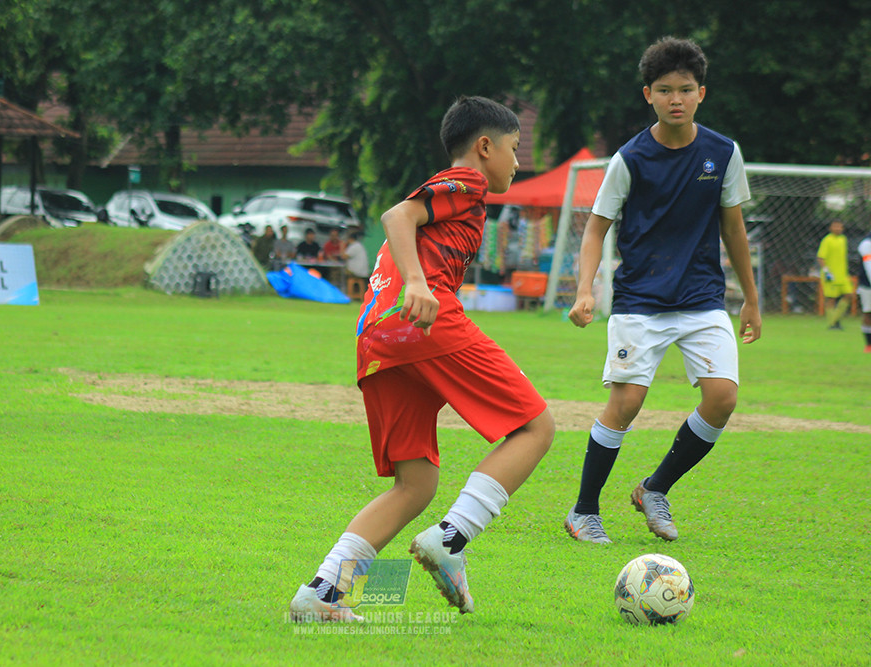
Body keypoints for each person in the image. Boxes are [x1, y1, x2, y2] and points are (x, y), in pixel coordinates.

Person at [289, 96, 554, 622]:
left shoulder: (464, 198)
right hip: (419, 321)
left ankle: (323, 594)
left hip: (376, 337)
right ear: (484, 147)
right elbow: (398, 215)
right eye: (515, 148)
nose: (518, 162)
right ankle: (452, 540)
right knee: (535, 428)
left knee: (417, 484)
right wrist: (417, 281)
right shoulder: (469, 181)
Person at [563, 37, 761, 545]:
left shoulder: (723, 153)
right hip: (640, 302)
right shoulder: (630, 159)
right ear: (648, 94)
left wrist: (752, 300)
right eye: (666, 90)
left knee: (723, 399)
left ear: (701, 94)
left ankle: (655, 489)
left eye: (687, 89)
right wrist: (586, 290)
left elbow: (734, 230)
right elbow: (595, 228)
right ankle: (584, 511)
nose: (677, 98)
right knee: (626, 404)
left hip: (701, 298)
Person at [817, 220, 854, 330]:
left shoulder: (843, 239)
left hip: (843, 275)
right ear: (830, 228)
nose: (837, 228)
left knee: (849, 295)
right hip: (831, 275)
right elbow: (821, 257)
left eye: (840, 227)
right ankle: (833, 323)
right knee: (831, 299)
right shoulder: (827, 240)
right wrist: (826, 271)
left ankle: (835, 320)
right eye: (835, 226)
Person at [857, 226, 871, 352]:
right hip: (868, 285)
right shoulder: (866, 244)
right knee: (868, 312)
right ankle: (868, 344)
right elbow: (868, 265)